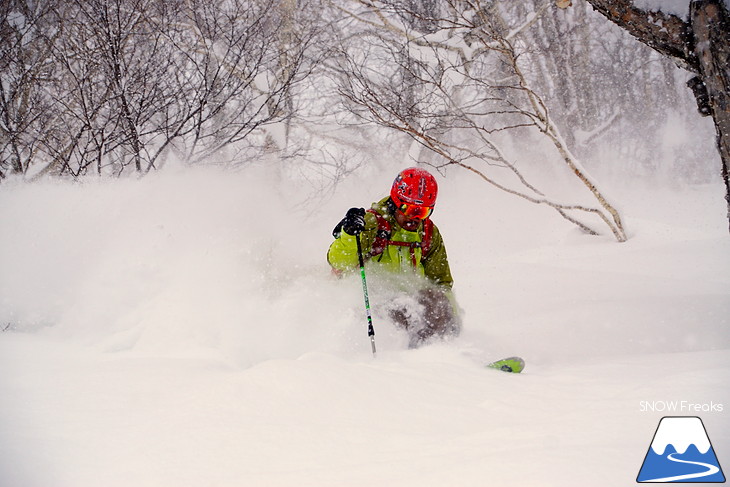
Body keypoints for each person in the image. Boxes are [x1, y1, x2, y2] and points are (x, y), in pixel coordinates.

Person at [327, 167, 461, 347]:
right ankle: (395, 361)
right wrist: (350, 235)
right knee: (401, 310)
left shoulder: (428, 232)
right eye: (409, 209)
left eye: (422, 212)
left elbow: (441, 283)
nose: (414, 218)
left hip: (410, 307)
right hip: (371, 305)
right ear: (396, 202)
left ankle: (444, 355)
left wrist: (451, 322)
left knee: (435, 301)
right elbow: (339, 261)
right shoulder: (372, 223)